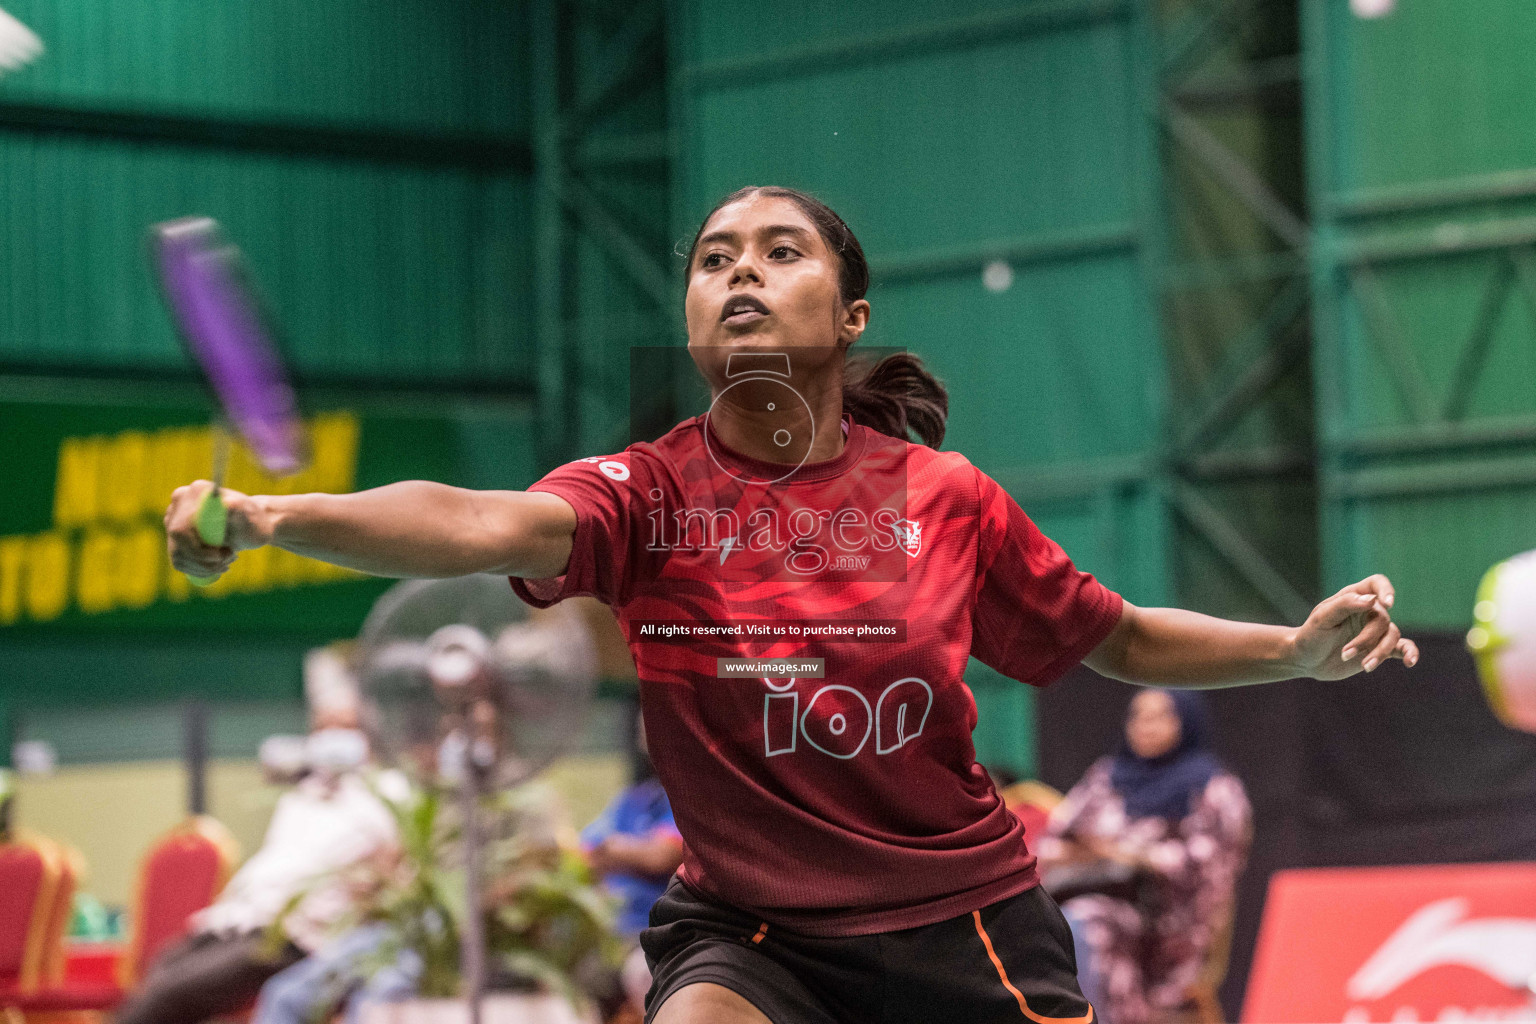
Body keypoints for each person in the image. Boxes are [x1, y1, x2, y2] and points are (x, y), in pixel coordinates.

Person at [165, 184, 1420, 1024]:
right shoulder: (646, 491)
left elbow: (1121, 635)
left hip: (961, 921)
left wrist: (1295, 652)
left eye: (779, 253)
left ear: (851, 313)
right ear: (696, 318)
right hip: (751, 930)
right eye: (714, 262)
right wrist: (285, 519)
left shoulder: (943, 495)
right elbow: (485, 519)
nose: (740, 275)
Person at [114, 699, 402, 1024]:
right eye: (323, 728)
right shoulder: (299, 799)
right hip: (242, 921)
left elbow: (397, 877)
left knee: (168, 993)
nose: (332, 737)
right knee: (162, 967)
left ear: (366, 737)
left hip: (294, 937)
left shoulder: (386, 799)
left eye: (344, 727)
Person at [1037, 689, 1250, 1024]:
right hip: (1090, 901)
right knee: (1056, 925)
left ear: (1186, 722)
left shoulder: (1213, 786)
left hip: (1167, 923)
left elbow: (1213, 866)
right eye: (1137, 716)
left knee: (1086, 925)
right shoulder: (1106, 777)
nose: (1145, 726)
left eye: (1159, 716)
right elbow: (1049, 843)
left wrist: (1132, 857)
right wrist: (1089, 854)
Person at [582, 721, 686, 1018]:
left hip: (660, 931)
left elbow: (664, 855)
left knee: (635, 973)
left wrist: (615, 850)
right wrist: (630, 852)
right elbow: (583, 853)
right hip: (612, 930)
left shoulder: (689, 799)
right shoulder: (635, 798)